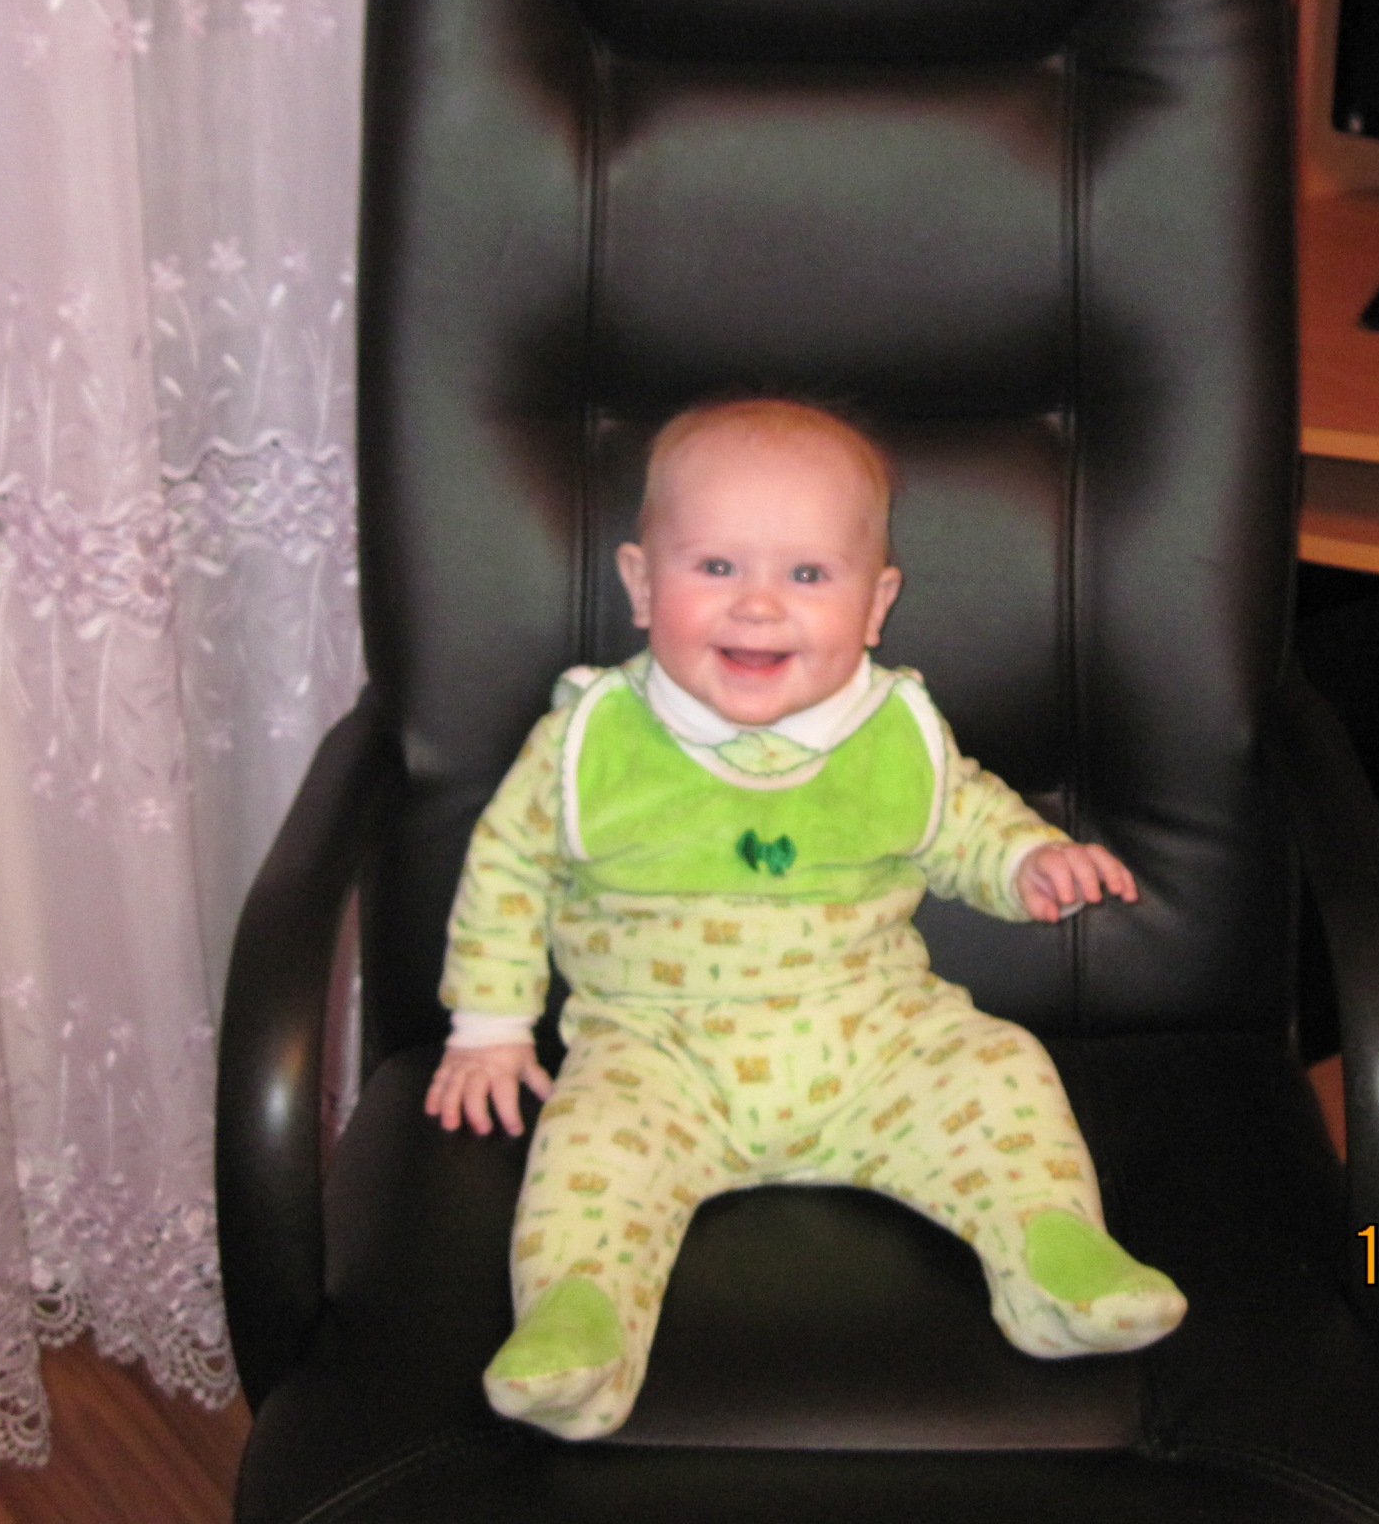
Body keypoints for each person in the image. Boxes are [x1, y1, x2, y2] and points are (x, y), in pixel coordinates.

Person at [426, 398, 1184, 1440]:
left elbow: (963, 819)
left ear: (876, 606)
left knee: (1000, 1073)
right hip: (656, 1056)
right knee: (588, 1162)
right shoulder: (587, 741)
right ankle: (580, 1326)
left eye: (809, 575)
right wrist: (489, 1027)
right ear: (641, 586)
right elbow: (508, 868)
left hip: (876, 1043)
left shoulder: (893, 728)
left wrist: (1028, 862)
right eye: (716, 567)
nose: (758, 607)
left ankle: (1055, 1258)